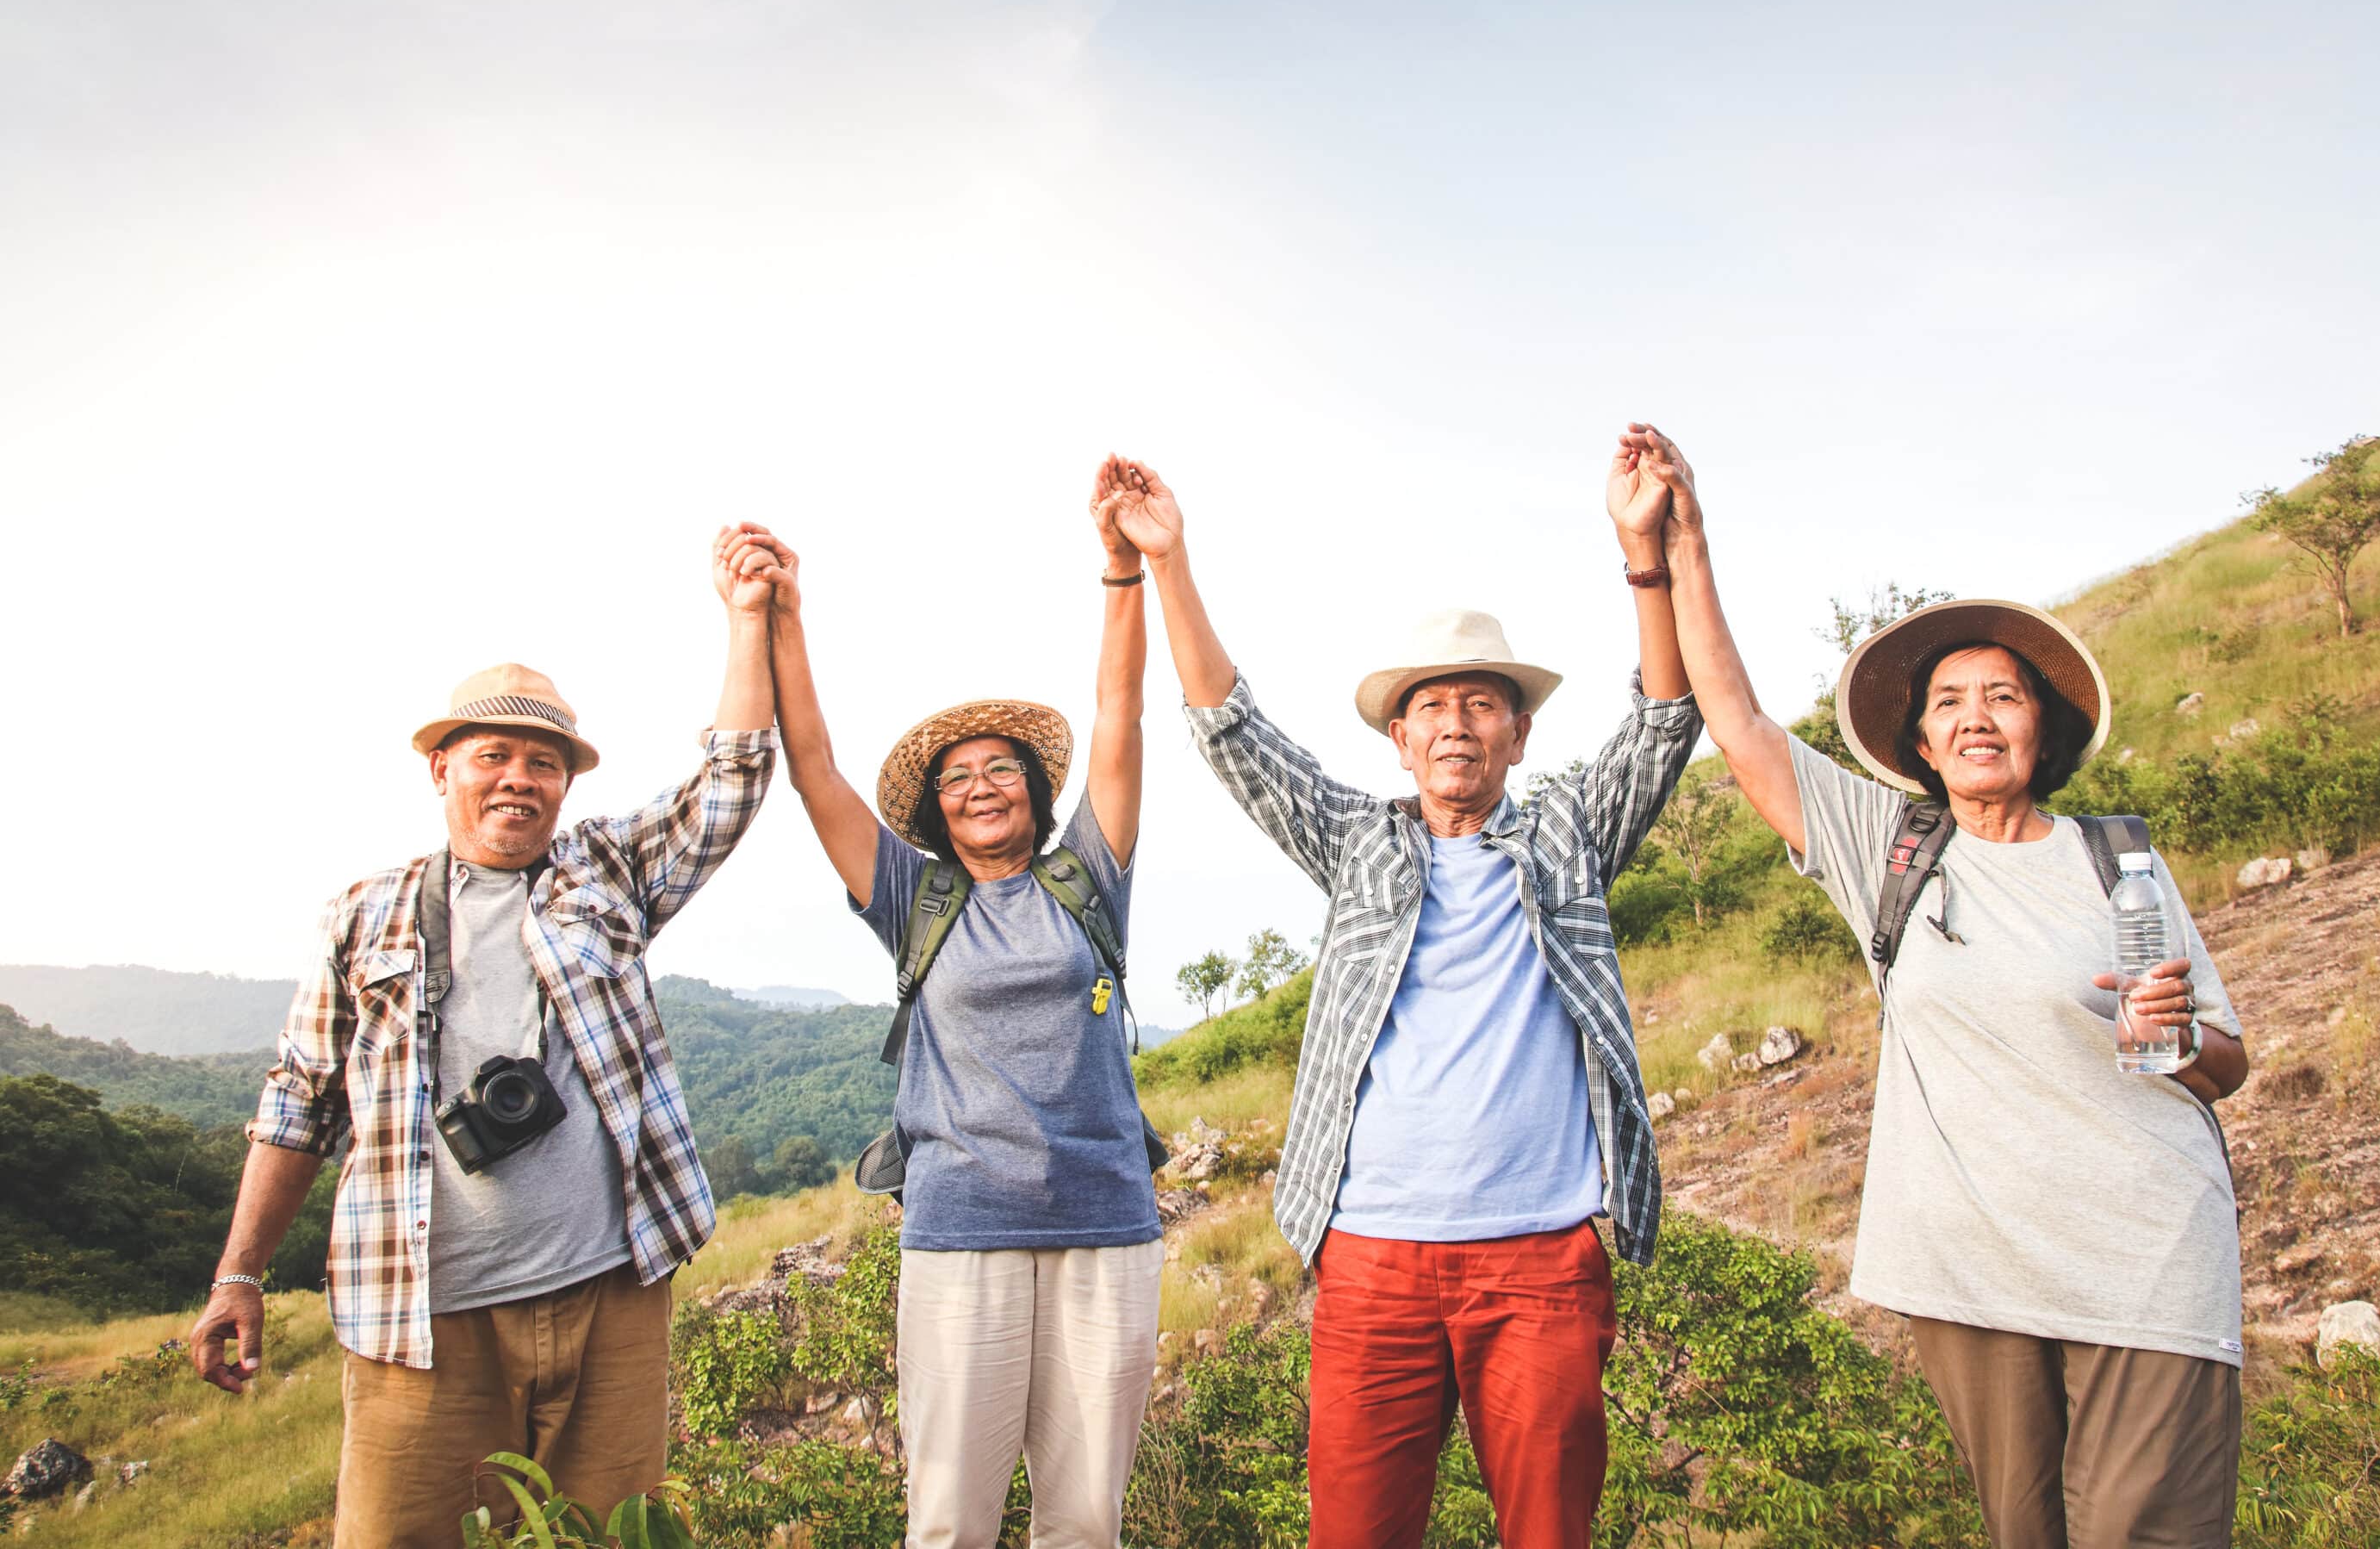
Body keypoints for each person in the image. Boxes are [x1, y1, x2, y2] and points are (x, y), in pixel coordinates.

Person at [1636, 424, 2250, 1547]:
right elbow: (1739, 723)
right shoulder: (1894, 850)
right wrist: (1684, 547)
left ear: (2040, 728)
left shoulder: (2118, 861)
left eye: (2003, 698)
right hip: (1978, 1270)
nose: (1977, 717)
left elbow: (2222, 1064)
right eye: (1951, 702)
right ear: (1920, 741)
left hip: (2151, 1253)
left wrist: (2176, 1034)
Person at [1097, 445, 1699, 1549]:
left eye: (1483, 704)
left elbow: (1666, 721)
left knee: (1551, 1530)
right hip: (1372, 1253)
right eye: (1434, 706)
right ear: (1401, 736)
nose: (1459, 723)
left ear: (1519, 734)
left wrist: (1643, 558)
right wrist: (1168, 565)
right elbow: (1234, 735)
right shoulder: (1357, 842)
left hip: (1543, 1254)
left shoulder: (1568, 835)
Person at [188, 527, 780, 1549]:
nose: (518, 778)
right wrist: (239, 1274)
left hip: (611, 1297)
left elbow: (728, 782)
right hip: (424, 1322)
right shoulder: (363, 916)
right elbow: (299, 1101)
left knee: (613, 1535)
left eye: (542, 762)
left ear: (565, 783)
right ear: (440, 768)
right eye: (493, 756)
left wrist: (745, 617)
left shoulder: (604, 876)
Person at [724, 460, 1159, 1549]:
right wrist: (784, 614)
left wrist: (1121, 570)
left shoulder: (1088, 877)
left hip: (1106, 1223)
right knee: (950, 1520)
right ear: (933, 806)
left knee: (1084, 1520)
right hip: (960, 1228)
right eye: (958, 776)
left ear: (1035, 788)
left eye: (1001, 769)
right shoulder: (911, 897)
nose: (980, 785)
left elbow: (1120, 712)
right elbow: (811, 764)